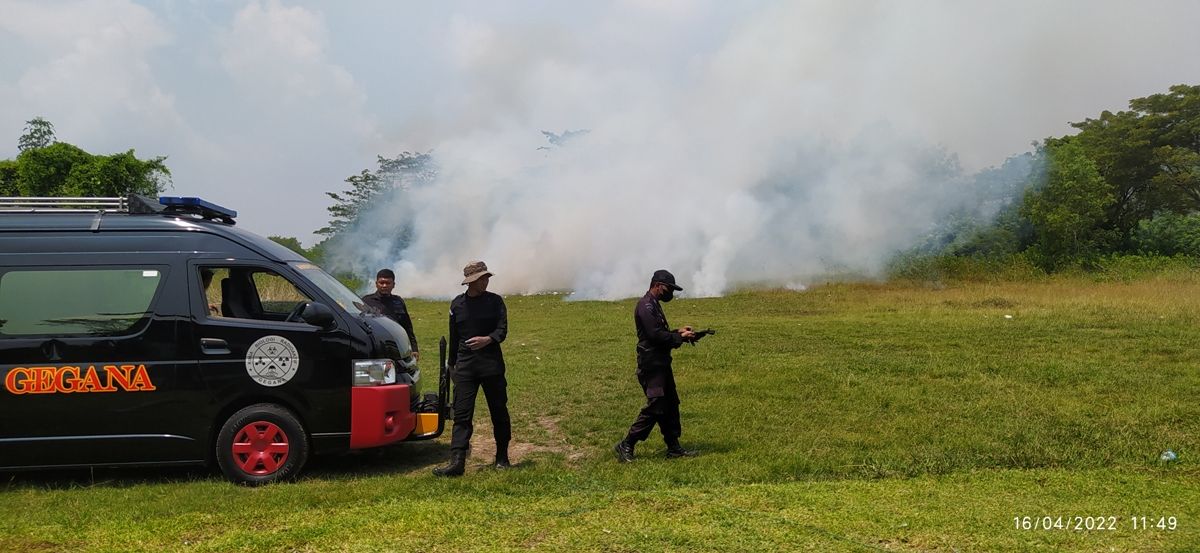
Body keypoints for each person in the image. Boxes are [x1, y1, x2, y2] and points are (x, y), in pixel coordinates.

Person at [433, 260, 511, 476]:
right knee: (462, 415)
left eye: (486, 278)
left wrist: (488, 339)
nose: (485, 281)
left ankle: (502, 457)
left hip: (491, 364)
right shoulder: (457, 304)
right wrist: (451, 365)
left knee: (499, 411)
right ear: (470, 282)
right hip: (466, 366)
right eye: (481, 279)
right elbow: (454, 336)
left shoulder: (495, 301)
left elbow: (502, 330)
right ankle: (457, 461)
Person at [614, 269, 698, 462]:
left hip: (661, 363)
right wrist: (679, 338)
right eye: (669, 289)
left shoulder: (653, 304)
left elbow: (660, 332)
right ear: (658, 285)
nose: (671, 293)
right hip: (651, 366)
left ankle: (674, 448)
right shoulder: (645, 306)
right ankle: (627, 443)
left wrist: (678, 332)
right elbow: (655, 336)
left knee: (670, 404)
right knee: (657, 405)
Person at [361, 268, 419, 361]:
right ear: (376, 284)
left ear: (393, 285)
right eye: (381, 283)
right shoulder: (367, 301)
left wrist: (414, 348)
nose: (384, 286)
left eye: (388, 283)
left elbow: (407, 326)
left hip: (398, 345)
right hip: (377, 346)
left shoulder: (398, 301)